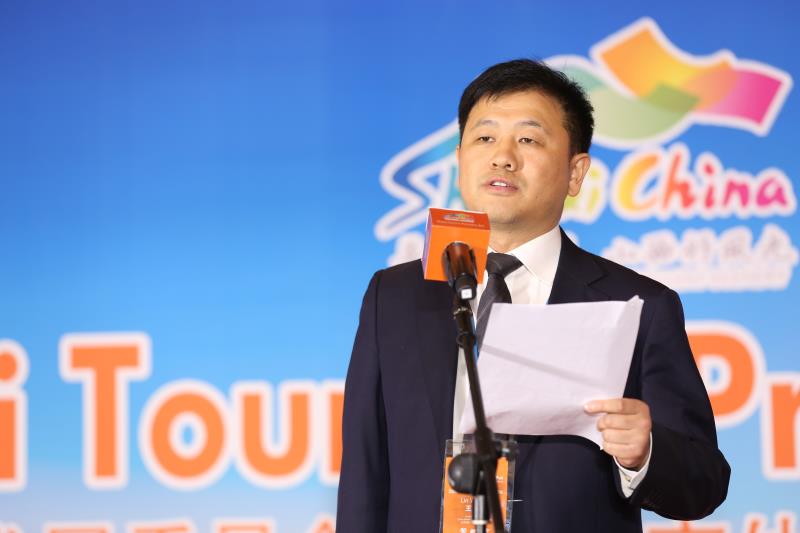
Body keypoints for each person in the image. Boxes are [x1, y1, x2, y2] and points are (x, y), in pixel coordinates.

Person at [336, 59, 730, 533]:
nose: (502, 157)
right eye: (485, 137)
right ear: (460, 159)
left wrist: (645, 453)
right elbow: (364, 472)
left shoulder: (637, 305)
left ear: (575, 173)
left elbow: (705, 483)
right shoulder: (395, 296)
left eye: (528, 139)